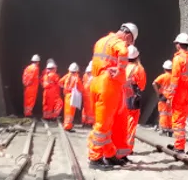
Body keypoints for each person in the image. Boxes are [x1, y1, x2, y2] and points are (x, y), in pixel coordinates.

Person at [88, 23, 137, 169]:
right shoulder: (118, 42)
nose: (128, 45)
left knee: (106, 123)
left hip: (96, 82)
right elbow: (122, 51)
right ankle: (94, 158)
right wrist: (121, 68)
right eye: (130, 42)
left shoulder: (101, 41)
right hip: (108, 85)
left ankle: (110, 155)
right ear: (128, 36)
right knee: (103, 125)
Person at [168, 33, 188, 153]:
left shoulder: (178, 58)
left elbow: (175, 79)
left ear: (178, 44)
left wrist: (169, 96)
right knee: (183, 119)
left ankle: (179, 146)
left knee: (178, 120)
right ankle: (179, 144)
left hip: (180, 93)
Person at [125, 46, 147, 150]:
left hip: (121, 98)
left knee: (121, 122)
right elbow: (142, 86)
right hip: (132, 99)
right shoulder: (139, 68)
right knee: (131, 122)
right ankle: (128, 147)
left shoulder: (122, 66)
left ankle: (118, 146)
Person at [60, 62, 84, 131]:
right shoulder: (77, 78)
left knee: (66, 111)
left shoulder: (66, 76)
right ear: (77, 71)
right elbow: (81, 88)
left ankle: (66, 124)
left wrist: (65, 88)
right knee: (71, 112)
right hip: (73, 96)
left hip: (67, 95)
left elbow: (60, 82)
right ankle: (68, 125)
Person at [153, 60, 174, 135]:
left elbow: (154, 83)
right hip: (172, 98)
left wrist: (158, 93)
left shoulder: (163, 76)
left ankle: (163, 129)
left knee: (163, 113)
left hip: (163, 97)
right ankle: (170, 129)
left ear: (164, 68)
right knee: (171, 114)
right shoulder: (175, 77)